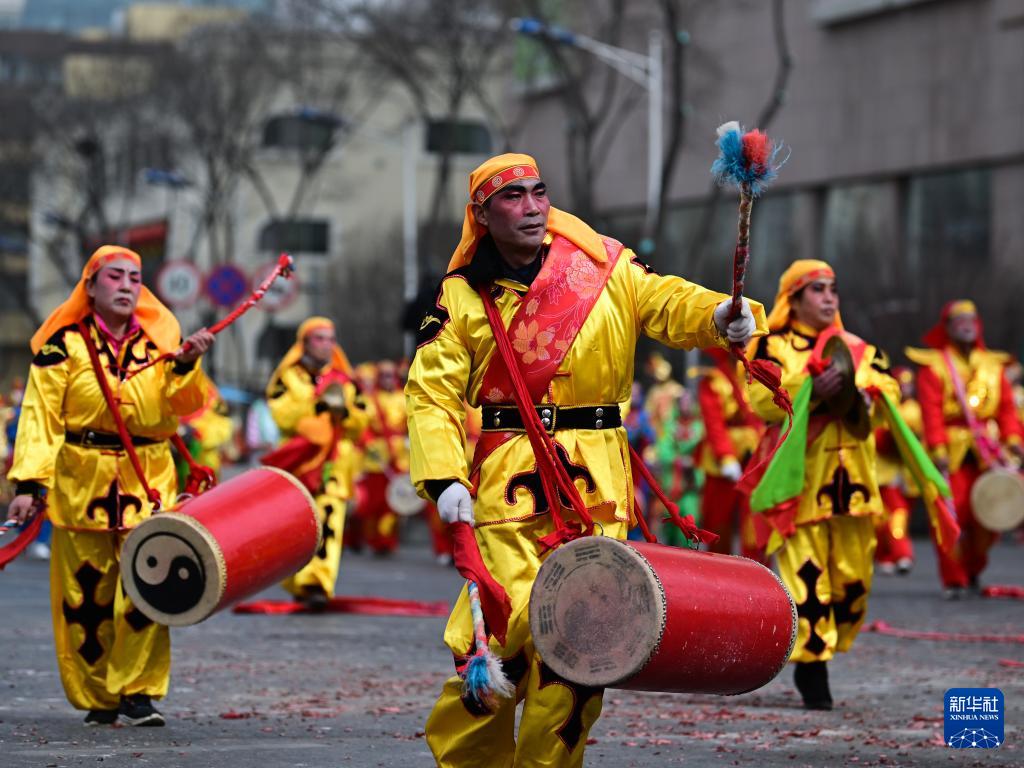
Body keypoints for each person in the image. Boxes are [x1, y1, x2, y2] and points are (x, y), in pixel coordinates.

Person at [406, 152, 764, 767]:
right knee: (500, 634)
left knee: (579, 646)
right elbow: (431, 394)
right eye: (512, 197)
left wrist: (716, 314)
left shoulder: (605, 266)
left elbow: (665, 301)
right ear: (482, 216)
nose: (531, 207)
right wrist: (443, 477)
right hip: (508, 480)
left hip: (598, 482)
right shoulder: (460, 297)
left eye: (538, 192)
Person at [6, 245, 213, 726]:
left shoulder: (160, 345)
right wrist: (29, 484)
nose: (126, 286)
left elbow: (184, 405)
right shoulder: (62, 346)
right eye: (115, 276)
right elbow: (39, 416)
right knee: (85, 597)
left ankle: (137, 692)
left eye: (134, 278)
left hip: (147, 480)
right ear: (91, 286)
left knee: (148, 586)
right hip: (82, 483)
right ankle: (98, 695)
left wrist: (187, 366)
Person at [748, 259, 899, 711]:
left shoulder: (860, 349)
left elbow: (890, 393)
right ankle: (812, 665)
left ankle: (827, 647)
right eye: (817, 289)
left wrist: (863, 393)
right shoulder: (771, 345)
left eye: (833, 288)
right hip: (800, 485)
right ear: (793, 300)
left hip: (855, 485)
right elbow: (761, 400)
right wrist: (813, 386)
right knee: (808, 579)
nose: (829, 297)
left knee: (853, 583)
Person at [906, 300, 1024, 597]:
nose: (966, 324)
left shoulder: (993, 366)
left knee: (989, 514)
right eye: (959, 320)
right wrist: (938, 450)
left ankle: (973, 568)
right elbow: (931, 412)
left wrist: (1013, 441)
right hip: (950, 452)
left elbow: (1007, 410)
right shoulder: (934, 366)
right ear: (947, 327)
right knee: (950, 514)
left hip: (987, 451)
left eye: (971, 318)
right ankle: (954, 578)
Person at [265, 317, 366, 608]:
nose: (326, 345)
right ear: (305, 343)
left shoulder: (345, 381)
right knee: (295, 522)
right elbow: (281, 414)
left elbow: (362, 419)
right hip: (298, 461)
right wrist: (317, 407)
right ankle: (297, 579)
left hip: (334, 463)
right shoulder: (287, 377)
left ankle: (317, 583)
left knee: (329, 520)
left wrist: (344, 414)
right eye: (319, 338)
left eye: (330, 339)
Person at [696, 347, 764, 560]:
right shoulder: (714, 381)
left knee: (755, 520)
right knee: (718, 520)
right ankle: (717, 568)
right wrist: (725, 456)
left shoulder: (756, 378)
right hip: (722, 465)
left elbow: (760, 418)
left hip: (753, 458)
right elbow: (714, 423)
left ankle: (755, 569)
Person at [357, 360, 409, 556]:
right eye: (384, 375)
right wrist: (368, 443)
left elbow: (411, 423)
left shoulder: (403, 398)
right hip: (377, 457)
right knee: (374, 502)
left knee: (394, 502)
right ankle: (374, 540)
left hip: (399, 455)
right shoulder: (370, 400)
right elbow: (362, 426)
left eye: (390, 375)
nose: (387, 379)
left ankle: (388, 540)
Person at [873, 367, 921, 575]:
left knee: (898, 515)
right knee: (885, 516)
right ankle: (894, 554)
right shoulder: (883, 408)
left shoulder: (913, 410)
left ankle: (896, 554)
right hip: (883, 474)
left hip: (904, 476)